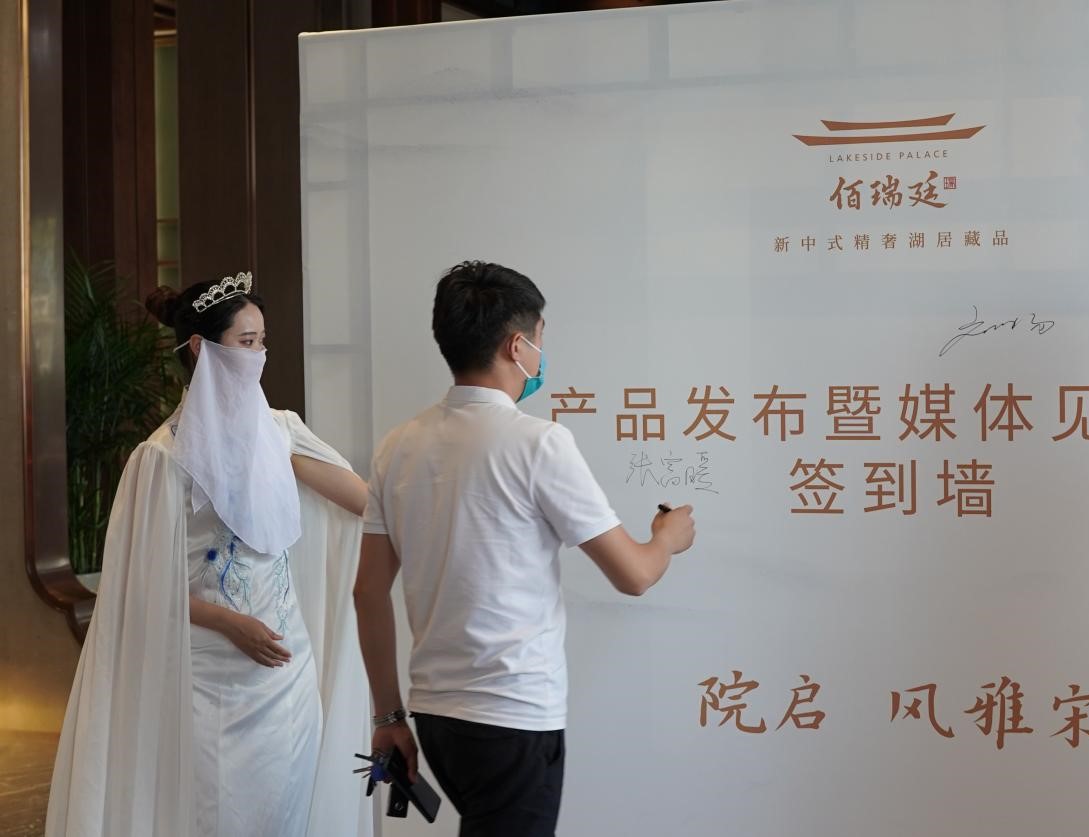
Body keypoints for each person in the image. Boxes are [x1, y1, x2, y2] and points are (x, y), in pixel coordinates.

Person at [353, 260, 697, 836]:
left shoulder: (398, 446)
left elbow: (368, 592)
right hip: (512, 714)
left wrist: (388, 714)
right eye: (539, 338)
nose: (541, 353)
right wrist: (668, 538)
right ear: (517, 346)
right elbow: (634, 574)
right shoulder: (539, 444)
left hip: (435, 715)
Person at [47, 272, 375, 837]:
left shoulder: (281, 432)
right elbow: (139, 587)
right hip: (210, 673)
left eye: (262, 341)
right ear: (200, 348)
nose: (260, 355)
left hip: (287, 673)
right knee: (217, 813)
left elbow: (366, 504)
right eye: (246, 342)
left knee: (289, 812)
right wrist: (229, 623)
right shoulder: (162, 457)